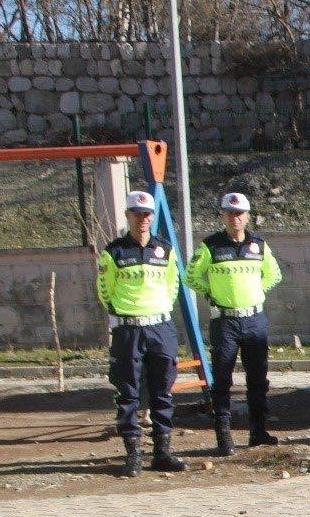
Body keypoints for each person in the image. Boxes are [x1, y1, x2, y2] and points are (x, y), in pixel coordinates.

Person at [186, 191, 282, 455]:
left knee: (258, 379)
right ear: (222, 216)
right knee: (222, 379)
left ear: (247, 216)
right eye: (229, 213)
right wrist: (211, 293)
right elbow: (190, 276)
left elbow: (274, 274)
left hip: (254, 319)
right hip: (225, 322)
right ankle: (224, 438)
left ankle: (258, 432)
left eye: (239, 214)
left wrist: (257, 292)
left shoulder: (259, 245)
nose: (235, 218)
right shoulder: (210, 246)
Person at [97, 190, 186, 476]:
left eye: (147, 213)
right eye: (136, 213)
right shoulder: (114, 252)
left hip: (160, 328)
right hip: (128, 329)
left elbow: (173, 285)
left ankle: (162, 452)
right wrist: (124, 312)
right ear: (128, 215)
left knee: (163, 389)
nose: (142, 218)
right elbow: (104, 290)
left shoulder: (166, 250)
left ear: (153, 216)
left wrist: (158, 310)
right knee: (128, 391)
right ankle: (133, 454)